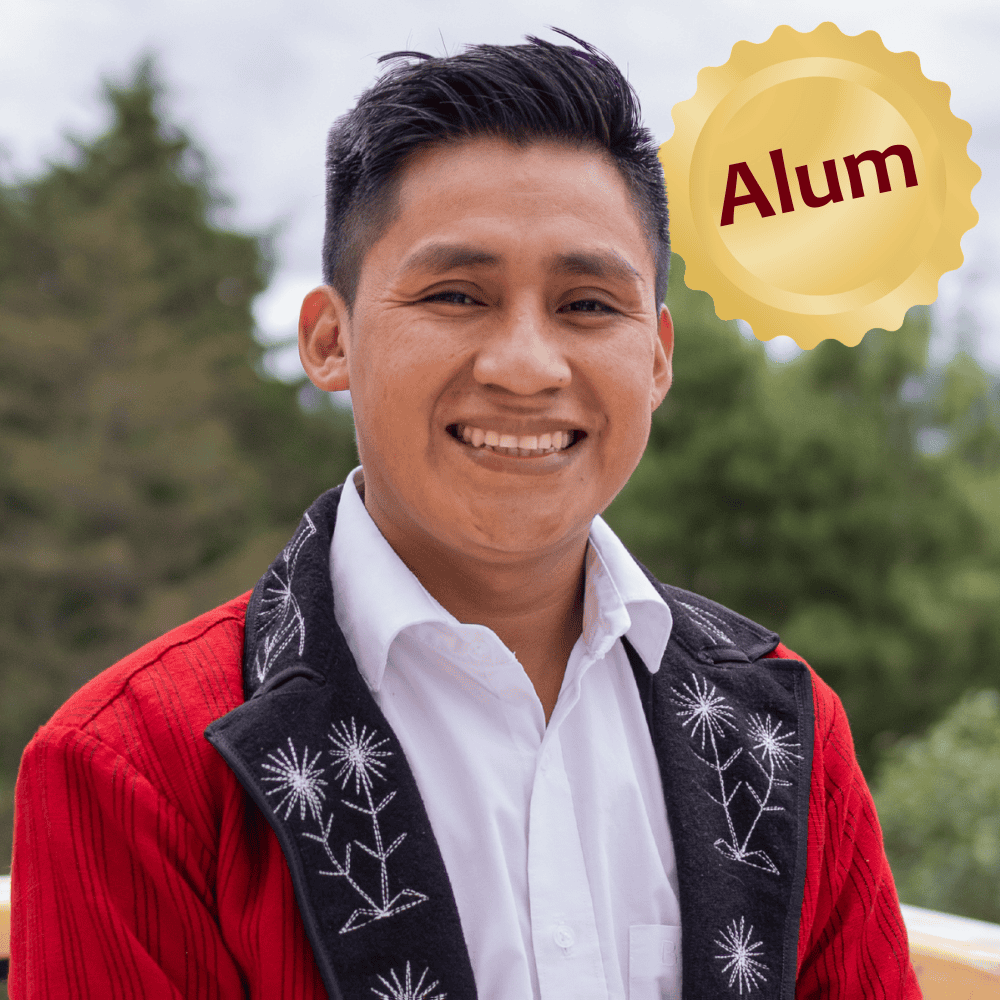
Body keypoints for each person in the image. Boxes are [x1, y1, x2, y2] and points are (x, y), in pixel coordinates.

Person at [10, 30, 919, 1000]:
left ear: (656, 358)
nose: (525, 365)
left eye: (585, 304)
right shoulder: (135, 770)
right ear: (329, 339)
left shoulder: (781, 728)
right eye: (456, 294)